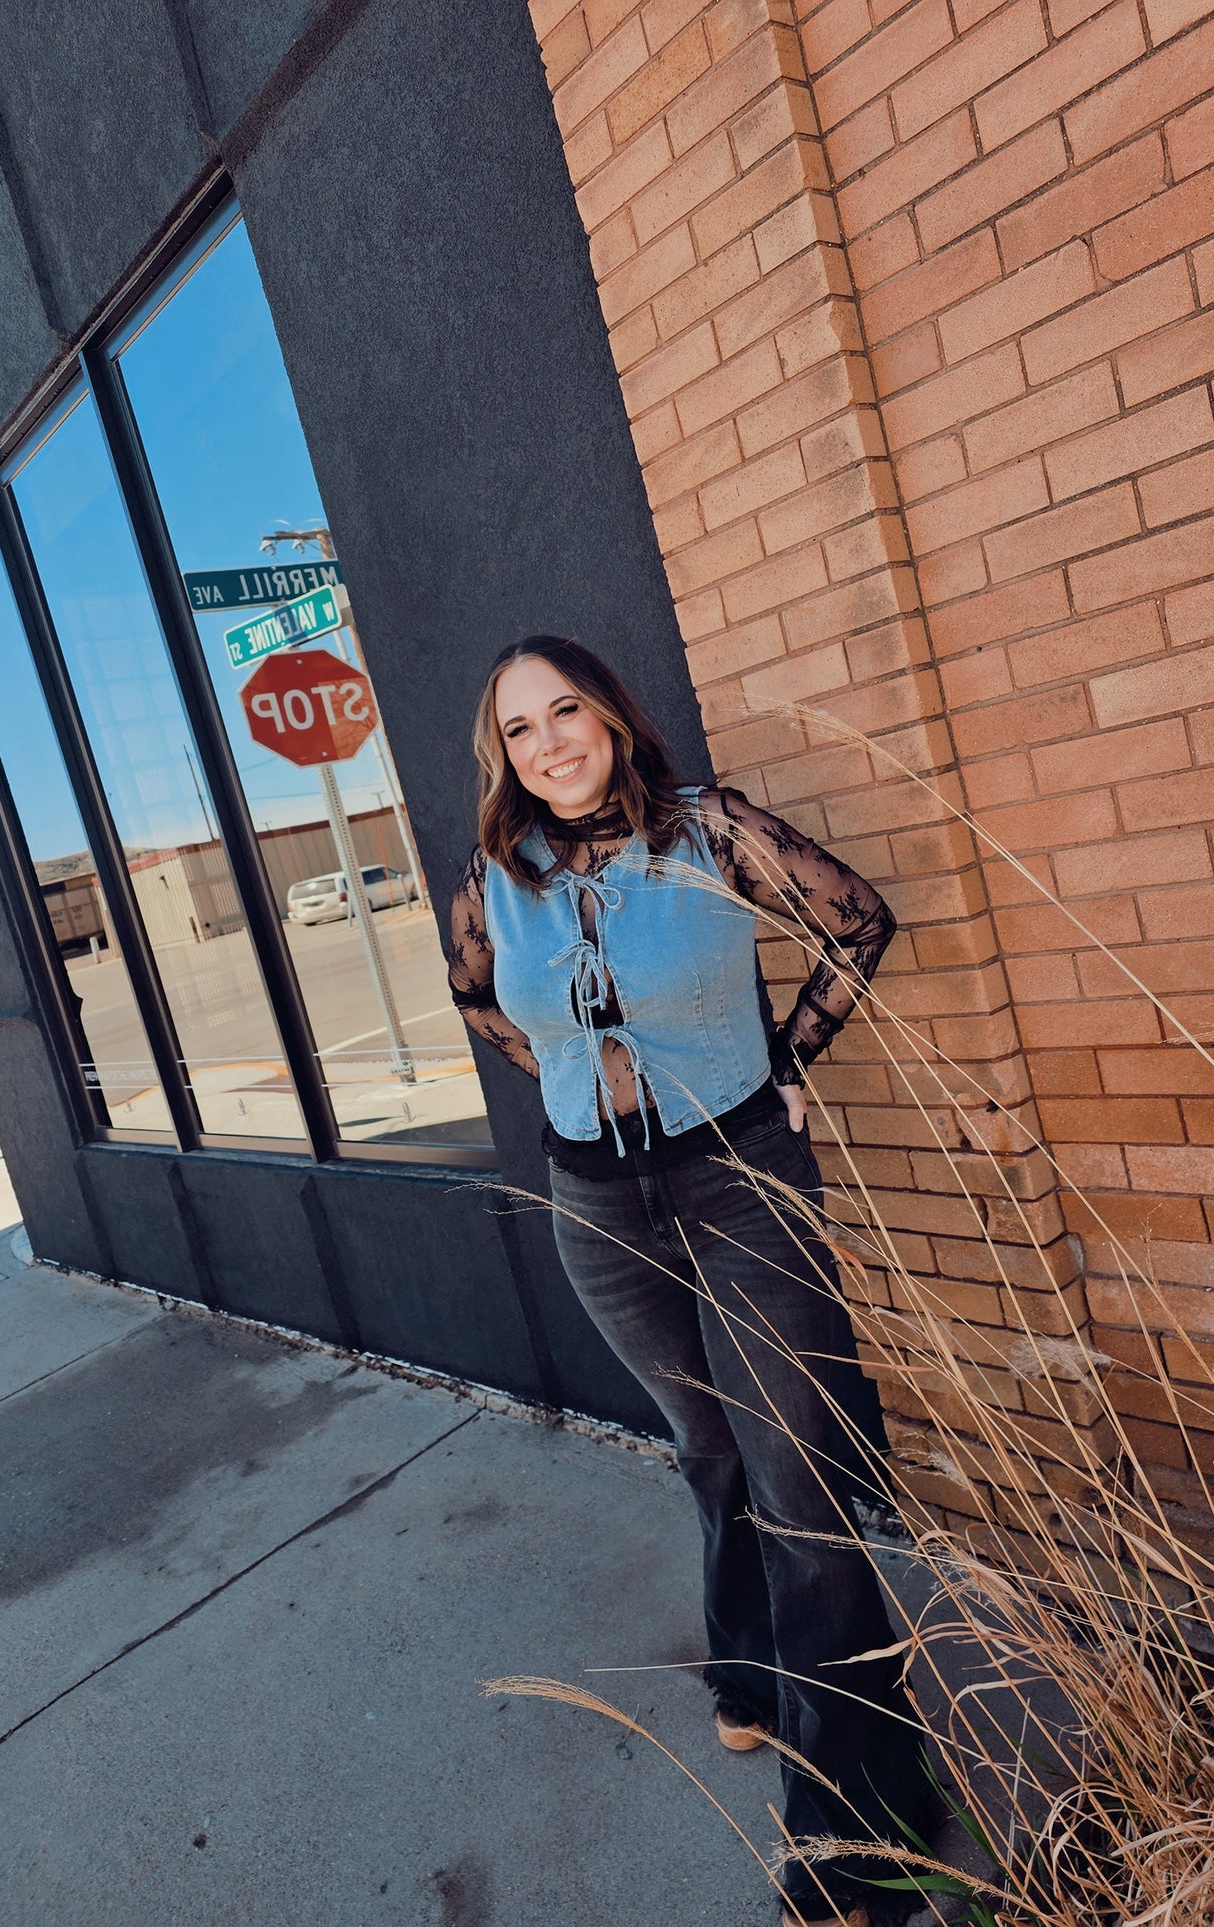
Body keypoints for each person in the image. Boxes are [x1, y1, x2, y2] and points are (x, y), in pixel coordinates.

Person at [447, 636, 926, 1925]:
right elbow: (479, 1002)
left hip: (739, 1184)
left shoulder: (712, 832)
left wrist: (775, 1059)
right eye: (520, 731)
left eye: (567, 711)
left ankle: (852, 1843)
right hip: (598, 1207)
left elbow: (859, 922)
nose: (549, 743)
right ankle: (753, 1675)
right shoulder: (500, 880)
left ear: (609, 714)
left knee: (801, 1483)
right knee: (709, 1453)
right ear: (502, 757)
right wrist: (570, 1080)